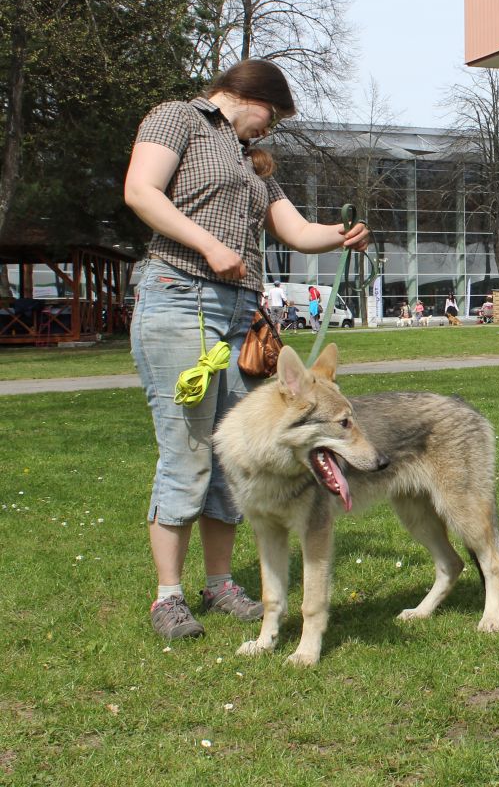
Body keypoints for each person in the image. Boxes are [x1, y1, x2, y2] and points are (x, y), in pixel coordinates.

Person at [124, 58, 370, 640]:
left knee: (234, 458)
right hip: (179, 297)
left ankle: (219, 584)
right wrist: (209, 246)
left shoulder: (254, 161)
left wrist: (341, 236)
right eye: (271, 114)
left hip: (239, 319)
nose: (270, 128)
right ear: (244, 92)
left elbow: (297, 231)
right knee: (186, 453)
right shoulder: (177, 119)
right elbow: (141, 190)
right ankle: (168, 597)